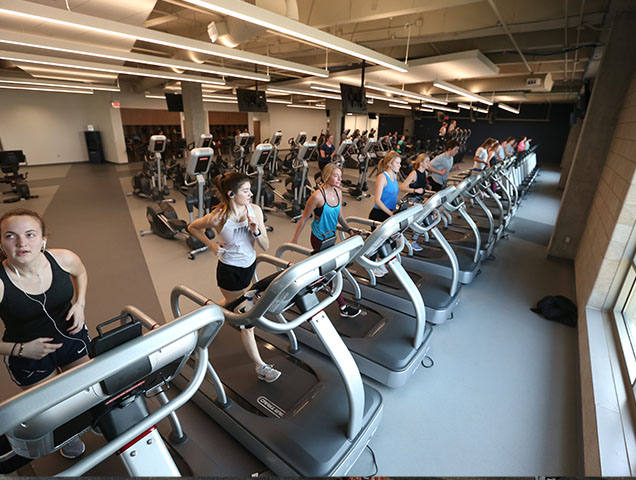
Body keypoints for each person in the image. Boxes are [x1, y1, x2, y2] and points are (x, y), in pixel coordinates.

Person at [0, 208, 89, 460]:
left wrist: (80, 302)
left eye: (30, 234)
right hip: (29, 353)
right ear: (1, 243)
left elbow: (81, 272)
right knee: (52, 406)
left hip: (72, 336)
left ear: (43, 239)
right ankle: (68, 434)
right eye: (10, 236)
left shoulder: (63, 259)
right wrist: (21, 349)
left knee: (86, 387)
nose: (21, 243)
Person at [187, 172, 281, 383]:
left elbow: (266, 245)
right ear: (231, 194)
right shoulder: (219, 216)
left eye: (250, 190)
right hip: (229, 271)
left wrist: (256, 230)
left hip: (249, 267)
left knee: (233, 304)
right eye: (246, 191)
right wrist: (211, 245)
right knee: (246, 319)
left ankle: (200, 321)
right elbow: (192, 227)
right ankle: (260, 366)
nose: (251, 194)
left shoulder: (255, 211)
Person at [291, 164, 361, 318]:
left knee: (324, 269)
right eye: (336, 175)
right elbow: (304, 218)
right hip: (318, 238)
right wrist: (294, 239)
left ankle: (308, 286)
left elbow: (340, 217)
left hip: (331, 237)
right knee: (330, 271)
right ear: (327, 176)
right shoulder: (317, 196)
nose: (340, 179)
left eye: (340, 175)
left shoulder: (338, 192)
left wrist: (349, 230)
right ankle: (342, 306)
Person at [369, 151, 412, 277]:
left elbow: (393, 196)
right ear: (389, 164)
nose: (400, 166)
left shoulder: (394, 177)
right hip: (379, 214)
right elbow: (377, 200)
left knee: (392, 241)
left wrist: (404, 203)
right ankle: (372, 264)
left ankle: (379, 261)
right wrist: (390, 213)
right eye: (397, 163)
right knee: (378, 243)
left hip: (389, 214)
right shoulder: (382, 177)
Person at [400, 154, 446, 252]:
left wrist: (427, 187)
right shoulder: (414, 173)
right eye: (427, 161)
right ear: (421, 163)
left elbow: (423, 184)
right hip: (410, 199)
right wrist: (415, 190)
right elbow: (402, 187)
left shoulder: (425, 173)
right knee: (422, 215)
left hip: (419, 199)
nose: (429, 164)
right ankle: (412, 241)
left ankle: (419, 233)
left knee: (433, 211)